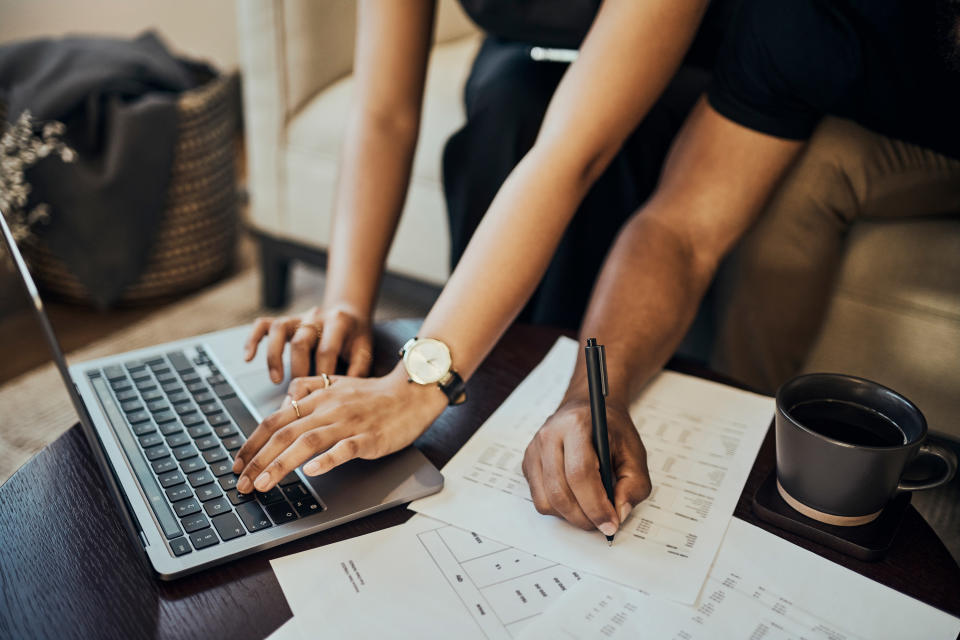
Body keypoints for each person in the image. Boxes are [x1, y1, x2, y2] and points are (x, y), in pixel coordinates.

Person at [233, 0, 723, 519]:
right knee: (507, 102)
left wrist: (417, 385)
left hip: (676, 62)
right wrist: (345, 303)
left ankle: (578, 395)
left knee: (608, 159)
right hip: (517, 69)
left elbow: (572, 151)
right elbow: (383, 112)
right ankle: (492, 387)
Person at [520, 0, 960, 533]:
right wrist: (594, 398)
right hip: (922, 137)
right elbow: (679, 230)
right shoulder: (799, 20)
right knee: (802, 180)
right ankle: (752, 455)